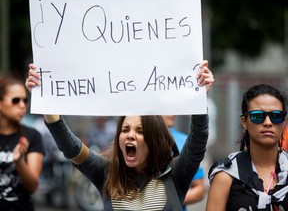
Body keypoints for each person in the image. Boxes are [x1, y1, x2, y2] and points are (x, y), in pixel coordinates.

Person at [26, 60, 214, 210]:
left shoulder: (176, 172)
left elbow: (198, 140)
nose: (130, 135)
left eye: (140, 131)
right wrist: (46, 102)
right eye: (125, 130)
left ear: (155, 140)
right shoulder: (106, 172)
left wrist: (199, 97)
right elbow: (71, 147)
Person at [206, 84, 288, 211]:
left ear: (283, 123)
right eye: (257, 116)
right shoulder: (225, 176)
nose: (267, 122)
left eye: (276, 116)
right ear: (244, 122)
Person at [0, 77, 45, 211]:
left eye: (25, 100)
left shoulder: (32, 136)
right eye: (16, 100)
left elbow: (32, 187)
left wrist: (19, 161)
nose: (22, 105)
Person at [162, 115, 205, 210]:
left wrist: (168, 201)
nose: (172, 114)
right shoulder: (137, 139)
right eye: (167, 109)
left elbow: (199, 188)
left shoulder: (185, 142)